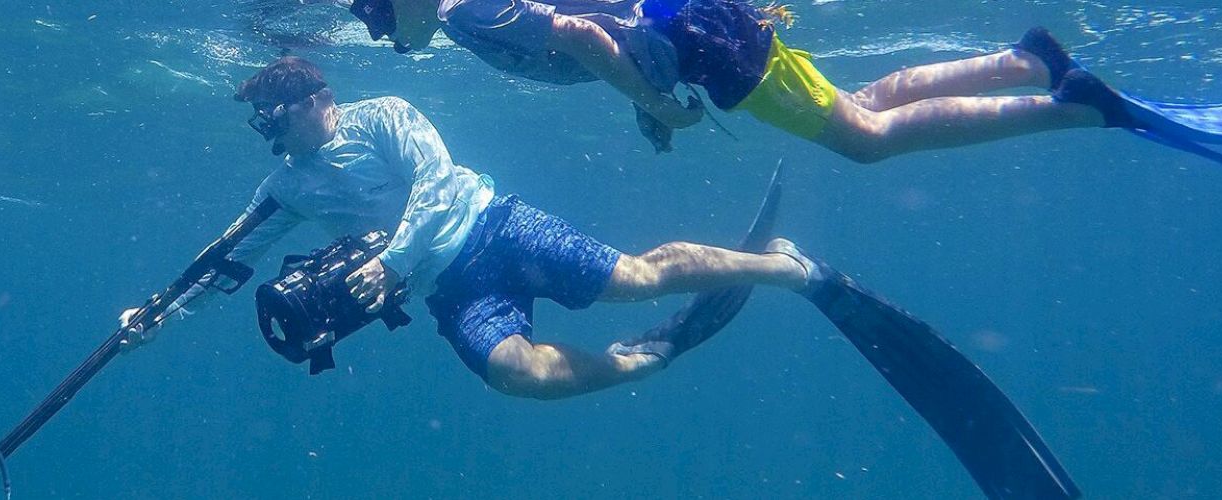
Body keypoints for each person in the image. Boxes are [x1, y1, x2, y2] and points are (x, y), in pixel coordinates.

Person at [117, 56, 822, 400]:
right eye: (258, 119)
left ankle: (782, 267)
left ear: (316, 101)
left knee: (636, 279)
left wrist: (392, 260)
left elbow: (436, 178)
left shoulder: (383, 115)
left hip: (497, 228)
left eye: (271, 113)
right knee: (518, 375)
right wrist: (157, 314)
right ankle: (646, 359)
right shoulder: (284, 187)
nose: (265, 129)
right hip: (450, 290)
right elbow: (225, 261)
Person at [344, 0, 1222, 164]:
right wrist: (643, 89)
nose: (383, 35)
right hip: (698, 24)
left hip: (702, 48)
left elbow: (580, 34)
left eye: (380, 17)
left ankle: (1071, 110)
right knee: (863, 103)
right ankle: (1028, 61)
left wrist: (655, 101)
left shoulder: (467, 14)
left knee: (865, 142)